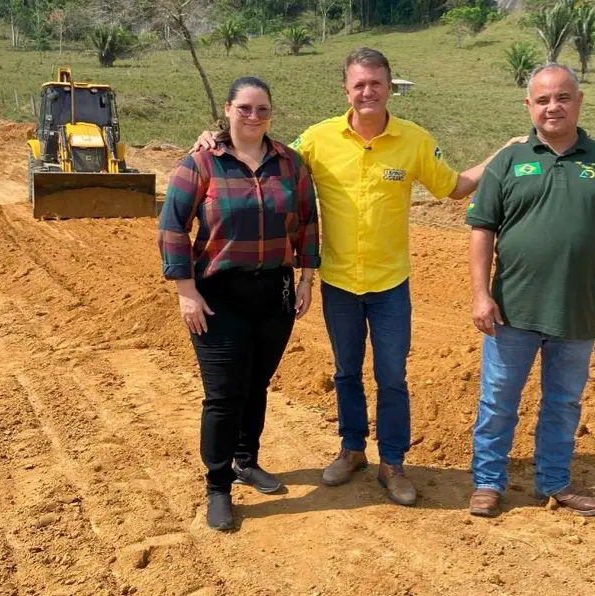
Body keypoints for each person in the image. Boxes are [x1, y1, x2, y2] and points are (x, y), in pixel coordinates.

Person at [194, 48, 523, 507]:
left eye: (376, 83)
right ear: (346, 90)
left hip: (391, 285)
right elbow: (266, 154)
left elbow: (454, 187)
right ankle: (352, 450)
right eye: (359, 84)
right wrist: (217, 137)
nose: (367, 91)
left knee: (392, 377)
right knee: (346, 373)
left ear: (390, 87)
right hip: (340, 283)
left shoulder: (413, 140)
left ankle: (393, 462)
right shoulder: (319, 139)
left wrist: (502, 155)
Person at [465, 63, 595, 518]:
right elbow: (481, 231)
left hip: (576, 311)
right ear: (529, 106)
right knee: (498, 401)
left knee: (563, 404)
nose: (553, 107)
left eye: (562, 97)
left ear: (579, 102)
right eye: (543, 99)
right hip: (511, 310)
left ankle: (554, 482)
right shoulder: (508, 161)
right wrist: (480, 293)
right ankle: (488, 482)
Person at [158, 76, 320, 531]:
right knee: (225, 394)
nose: (253, 117)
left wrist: (307, 276)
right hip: (218, 296)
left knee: (258, 383)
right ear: (227, 110)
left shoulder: (290, 163)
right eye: (244, 108)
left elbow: (307, 221)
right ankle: (218, 485)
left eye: (262, 109)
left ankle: (247, 462)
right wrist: (185, 291)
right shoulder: (202, 162)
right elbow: (173, 227)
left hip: (275, 293)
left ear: (271, 113)